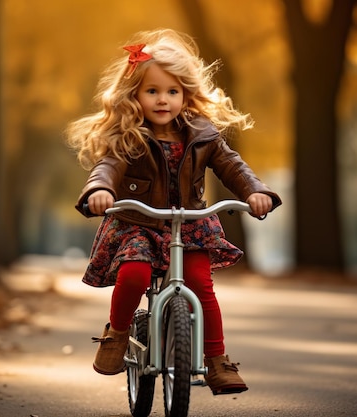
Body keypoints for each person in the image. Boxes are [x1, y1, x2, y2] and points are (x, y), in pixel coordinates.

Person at [66, 28, 281, 395]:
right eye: (152, 91)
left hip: (191, 225)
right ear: (135, 95)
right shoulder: (128, 136)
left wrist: (256, 191)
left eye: (172, 91)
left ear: (186, 94)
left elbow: (232, 166)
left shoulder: (203, 134)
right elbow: (107, 167)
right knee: (133, 274)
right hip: (138, 222)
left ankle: (216, 360)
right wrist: (99, 189)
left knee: (200, 285)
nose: (162, 100)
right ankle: (117, 334)